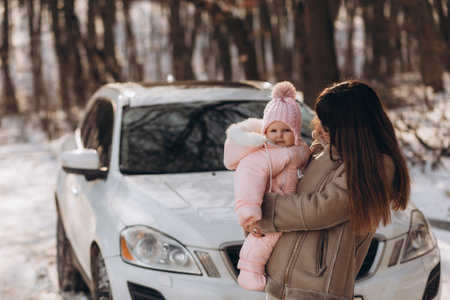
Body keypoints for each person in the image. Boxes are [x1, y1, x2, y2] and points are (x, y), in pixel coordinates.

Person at [249, 80, 411, 300]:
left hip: (317, 289)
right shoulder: (319, 152)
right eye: (322, 122)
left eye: (329, 124)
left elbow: (323, 208)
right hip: (280, 284)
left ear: (351, 125)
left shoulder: (378, 166)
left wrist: (264, 208)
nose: (321, 128)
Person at [223, 81, 311, 291]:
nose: (279, 135)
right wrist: (250, 213)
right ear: (265, 131)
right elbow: (248, 180)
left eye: (286, 130)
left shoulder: (299, 151)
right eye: (273, 130)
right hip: (268, 208)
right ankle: (249, 272)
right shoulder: (262, 155)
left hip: (288, 207)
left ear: (296, 133)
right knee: (263, 240)